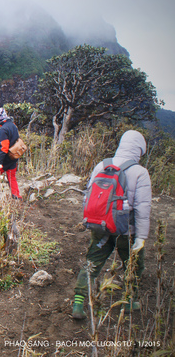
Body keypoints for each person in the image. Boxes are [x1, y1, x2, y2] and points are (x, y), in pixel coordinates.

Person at [71, 130, 151, 320]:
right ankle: (130, 300)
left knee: (92, 262)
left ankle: (78, 303)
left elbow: (89, 196)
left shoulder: (102, 165)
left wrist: (89, 220)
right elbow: (142, 209)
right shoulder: (140, 172)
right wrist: (141, 237)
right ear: (139, 150)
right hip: (126, 231)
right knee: (133, 265)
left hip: (100, 226)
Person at [0, 107, 22, 199]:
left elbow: (4, 147)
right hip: (14, 156)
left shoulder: (3, 129)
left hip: (5, 158)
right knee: (12, 177)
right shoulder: (13, 125)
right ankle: (16, 196)